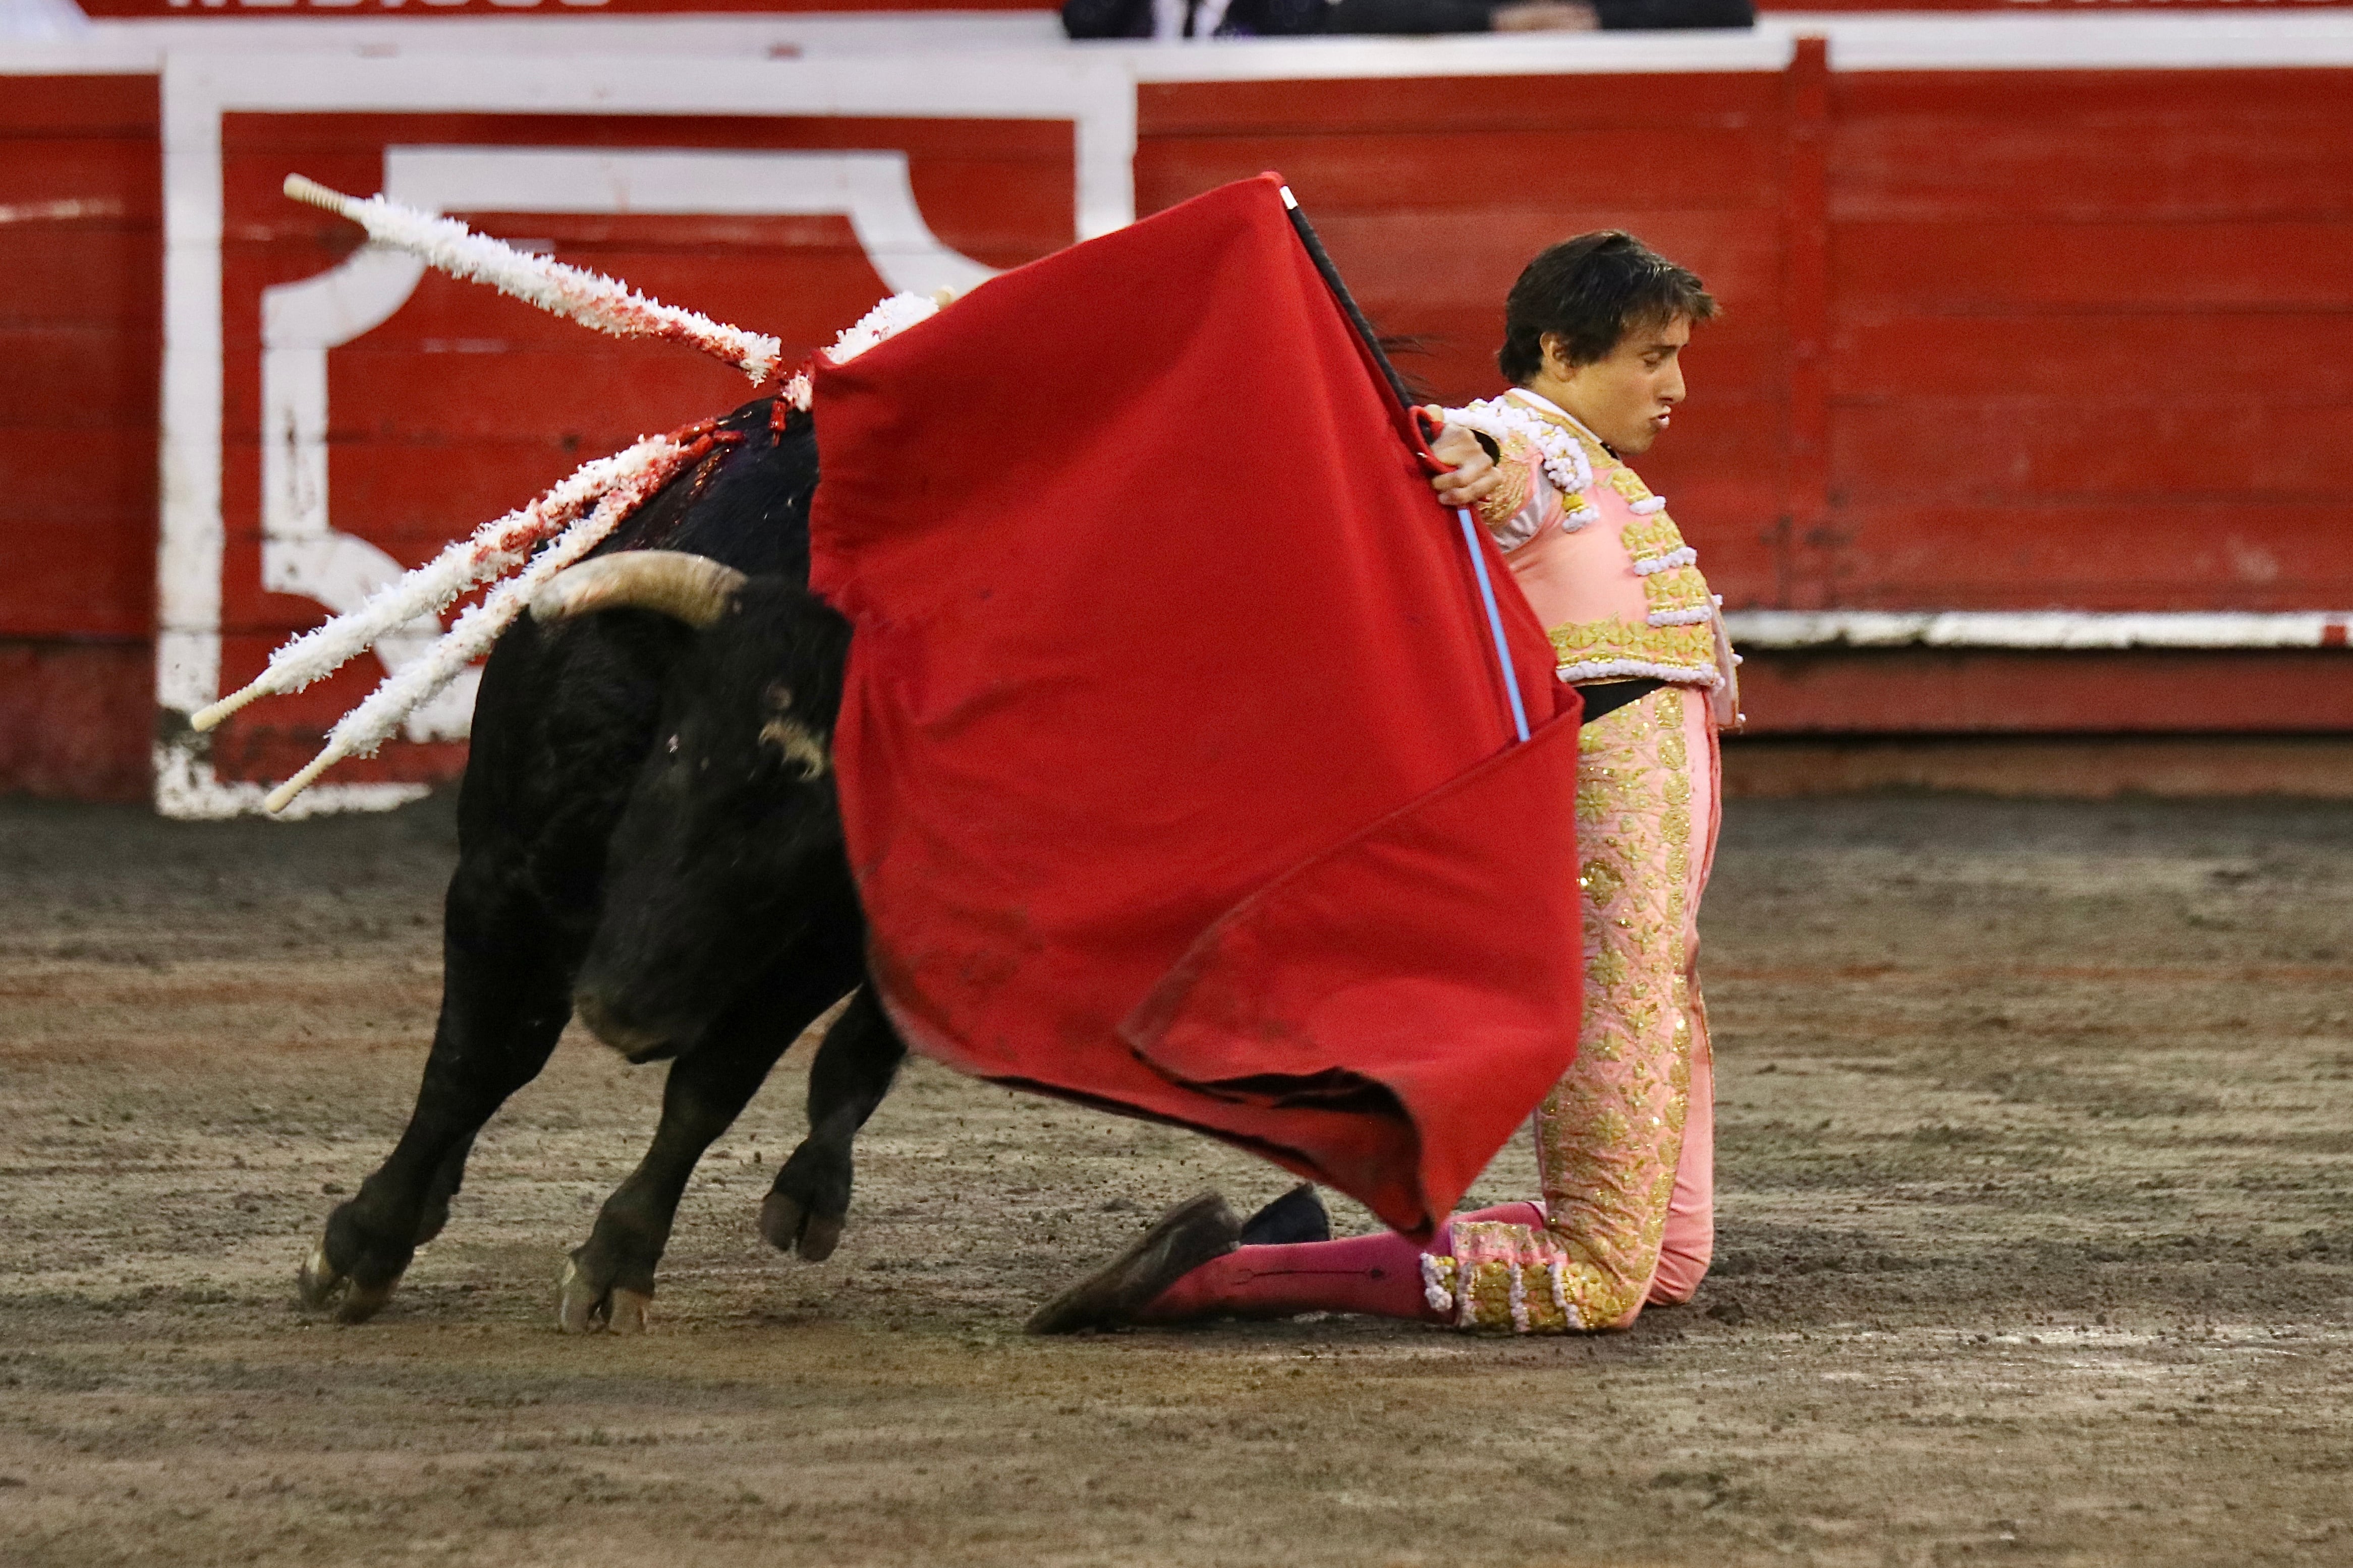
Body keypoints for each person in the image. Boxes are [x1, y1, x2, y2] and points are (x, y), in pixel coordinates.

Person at [1030, 230, 1739, 1335]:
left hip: (1659, 930)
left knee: (1668, 1261)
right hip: (1607, 913)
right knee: (1598, 1276)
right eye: (1652, 354)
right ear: (1558, 348)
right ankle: (1218, 1281)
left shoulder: (1593, 465)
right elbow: (1473, 453)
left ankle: (1297, 1244)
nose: (1676, 384)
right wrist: (1461, 454)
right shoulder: (1527, 444)